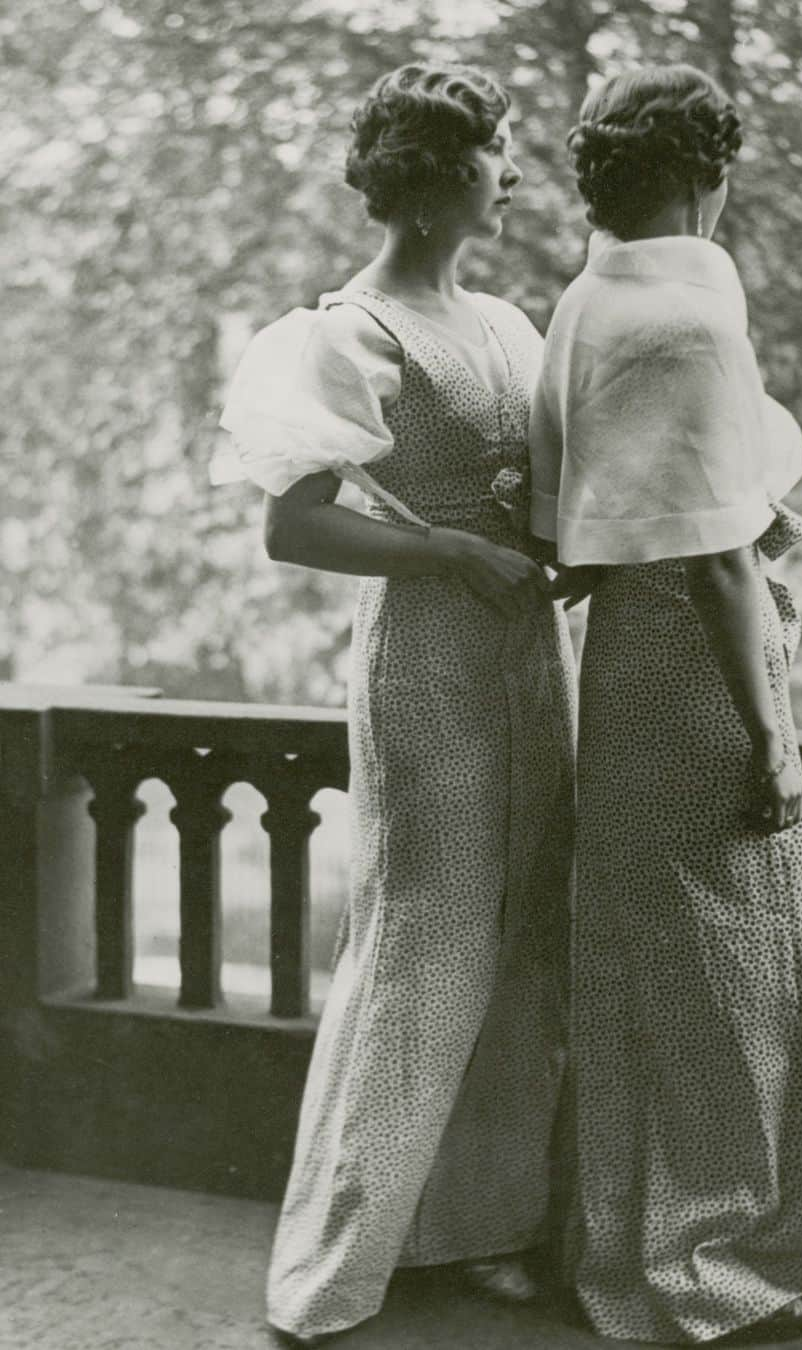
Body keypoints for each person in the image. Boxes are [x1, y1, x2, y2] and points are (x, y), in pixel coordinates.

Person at [530, 64, 802, 1344]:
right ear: (706, 176)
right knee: (731, 965)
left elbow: (593, 540)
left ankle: (672, 1235)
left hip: (626, 659)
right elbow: (715, 562)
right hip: (699, 668)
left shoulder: (589, 301)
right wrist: (772, 737)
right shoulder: (688, 319)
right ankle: (710, 1258)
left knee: (672, 953)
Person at [215, 63, 576, 1344]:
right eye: (496, 153)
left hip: (530, 658)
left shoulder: (513, 322)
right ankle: (343, 1253)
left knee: (523, 939)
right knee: (428, 940)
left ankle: (483, 1227)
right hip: (426, 659)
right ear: (436, 175)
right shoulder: (345, 333)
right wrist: (453, 555)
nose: (515, 175)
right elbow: (294, 528)